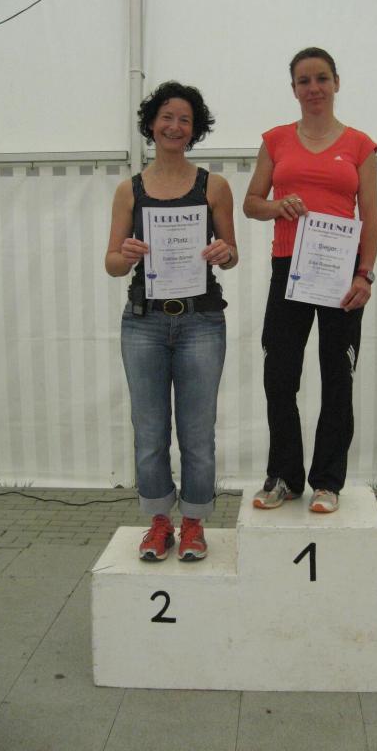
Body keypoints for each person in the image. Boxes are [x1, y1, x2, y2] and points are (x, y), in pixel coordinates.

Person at [243, 47, 377, 514]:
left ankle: (327, 482)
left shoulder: (360, 145)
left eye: (322, 78)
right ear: (294, 89)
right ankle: (284, 476)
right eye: (304, 81)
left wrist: (365, 274)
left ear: (336, 83)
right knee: (280, 375)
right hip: (290, 269)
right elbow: (251, 203)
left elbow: (371, 216)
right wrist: (276, 206)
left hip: (342, 273)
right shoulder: (276, 140)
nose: (314, 88)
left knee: (337, 376)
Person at [105, 81, 237, 561]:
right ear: (151, 124)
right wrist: (125, 253)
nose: (175, 126)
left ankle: (195, 523)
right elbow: (112, 263)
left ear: (195, 129)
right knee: (150, 430)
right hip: (144, 322)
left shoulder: (213, 186)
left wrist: (224, 252)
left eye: (185, 119)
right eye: (167, 117)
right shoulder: (129, 190)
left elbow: (232, 254)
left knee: (198, 432)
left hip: (202, 321)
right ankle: (160, 522)